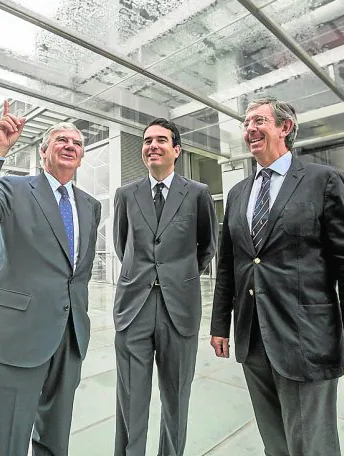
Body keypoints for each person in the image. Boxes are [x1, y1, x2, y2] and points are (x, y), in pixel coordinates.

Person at [210, 97, 344, 456]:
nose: (249, 129)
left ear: (285, 127)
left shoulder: (324, 181)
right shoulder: (238, 193)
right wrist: (219, 325)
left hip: (306, 341)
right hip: (253, 339)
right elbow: (230, 265)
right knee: (275, 443)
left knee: (311, 446)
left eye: (258, 120)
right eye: (245, 123)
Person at [0, 100, 101, 456]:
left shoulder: (90, 205)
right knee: (7, 439)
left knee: (55, 437)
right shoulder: (14, 188)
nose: (70, 146)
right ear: (43, 151)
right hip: (16, 336)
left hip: (68, 337)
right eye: (61, 140)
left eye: (77, 143)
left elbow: (74, 272)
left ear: (81, 157)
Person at [113, 118, 218, 455]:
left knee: (176, 397)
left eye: (160, 140)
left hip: (179, 308)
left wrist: (177, 275)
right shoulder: (126, 194)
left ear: (176, 150)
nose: (152, 146)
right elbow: (121, 243)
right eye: (147, 141)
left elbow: (207, 246)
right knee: (131, 398)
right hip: (134, 308)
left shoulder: (198, 194)